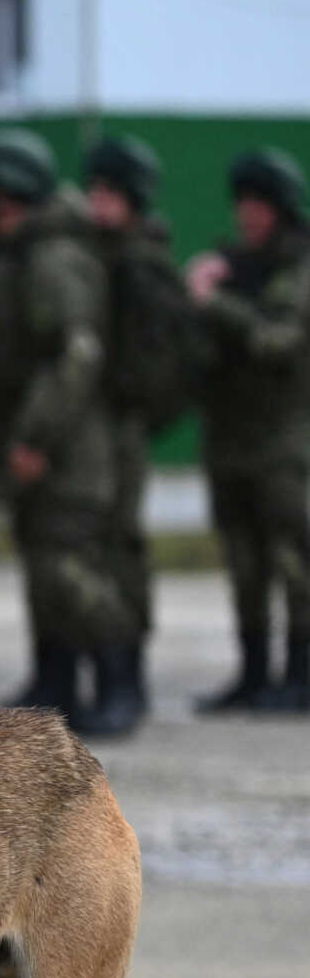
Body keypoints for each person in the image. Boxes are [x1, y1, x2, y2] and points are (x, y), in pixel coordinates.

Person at [0, 127, 138, 736]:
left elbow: (75, 357)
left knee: (73, 571)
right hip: (36, 442)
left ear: (7, 194)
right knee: (43, 569)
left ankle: (118, 687)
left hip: (68, 449)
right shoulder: (15, 259)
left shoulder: (56, 260)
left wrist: (36, 438)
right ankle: (55, 682)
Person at [188, 146, 310, 713]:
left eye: (260, 204)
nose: (248, 215)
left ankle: (301, 675)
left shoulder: (297, 268)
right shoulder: (231, 264)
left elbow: (277, 342)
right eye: (243, 203)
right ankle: (255, 673)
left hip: (284, 442)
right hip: (230, 438)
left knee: (294, 561)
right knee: (243, 564)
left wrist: (217, 303)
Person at [83, 133, 198, 715]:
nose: (96, 203)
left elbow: (160, 360)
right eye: (93, 191)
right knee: (92, 546)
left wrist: (139, 407)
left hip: (121, 423)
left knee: (119, 548)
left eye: (109, 193)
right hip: (95, 423)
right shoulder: (97, 257)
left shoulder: (141, 266)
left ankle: (125, 682)